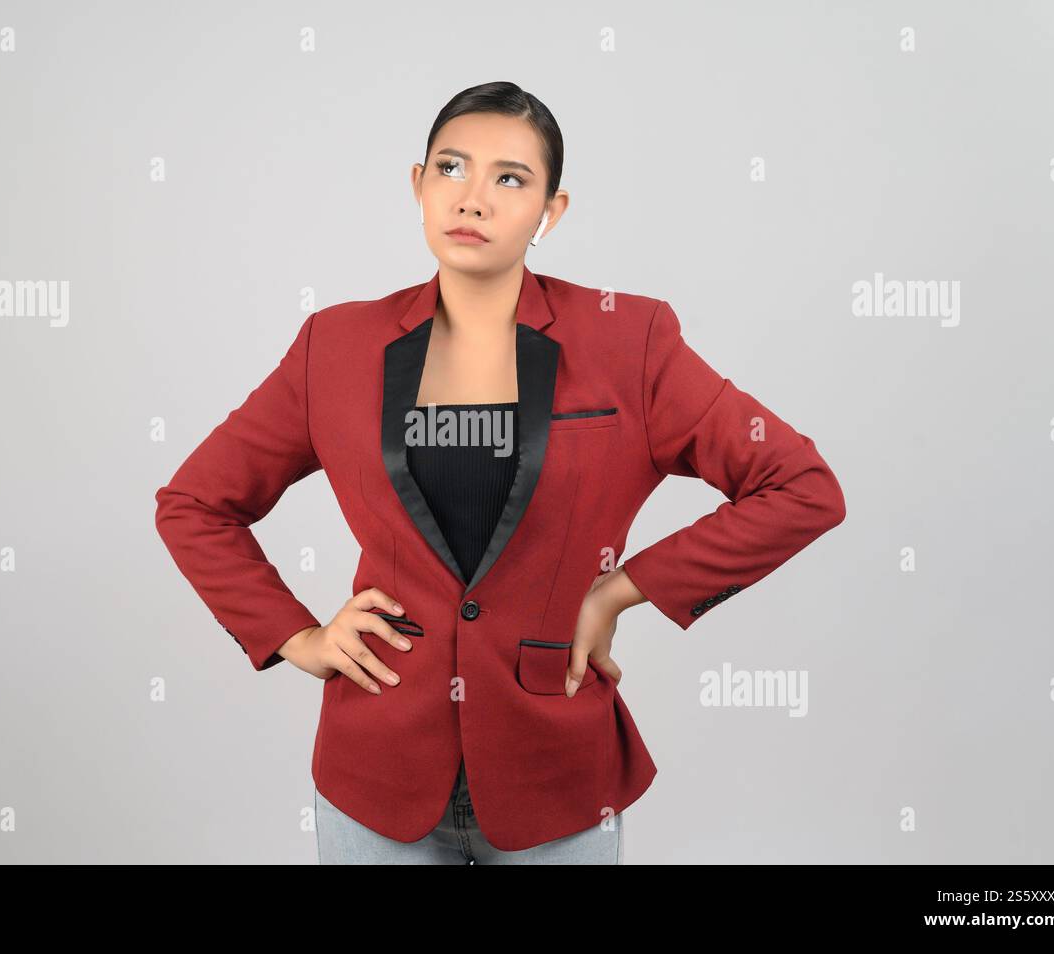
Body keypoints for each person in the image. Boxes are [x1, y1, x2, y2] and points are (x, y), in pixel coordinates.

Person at [154, 81, 846, 864]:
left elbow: (802, 487)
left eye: (510, 179)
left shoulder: (629, 340)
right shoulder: (335, 346)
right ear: (417, 186)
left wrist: (622, 590)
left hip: (556, 767)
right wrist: (295, 636)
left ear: (551, 211)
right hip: (374, 768)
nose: (473, 199)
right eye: (452, 168)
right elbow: (195, 503)